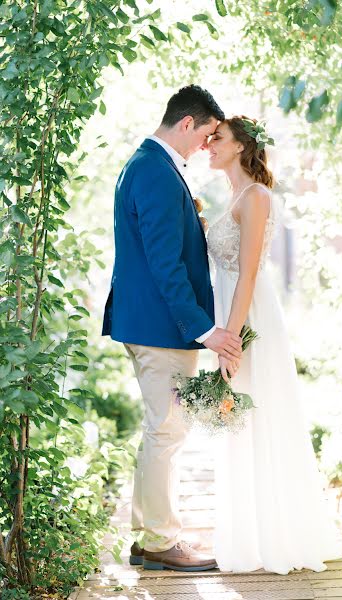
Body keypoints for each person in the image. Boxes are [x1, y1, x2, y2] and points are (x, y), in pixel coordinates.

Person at [102, 86, 243, 572]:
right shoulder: (156, 172)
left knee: (160, 430)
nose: (205, 145)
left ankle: (148, 536)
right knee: (167, 431)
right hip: (161, 327)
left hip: (149, 322)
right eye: (205, 134)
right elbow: (166, 265)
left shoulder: (145, 164)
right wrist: (204, 330)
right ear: (187, 123)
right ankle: (161, 540)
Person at [207, 116, 342, 574]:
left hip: (248, 317)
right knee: (240, 422)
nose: (209, 144)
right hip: (231, 310)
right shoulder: (233, 197)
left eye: (218, 138)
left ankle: (276, 536)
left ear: (241, 146)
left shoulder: (257, 197)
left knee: (256, 413)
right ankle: (248, 533)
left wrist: (231, 338)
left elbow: (246, 273)